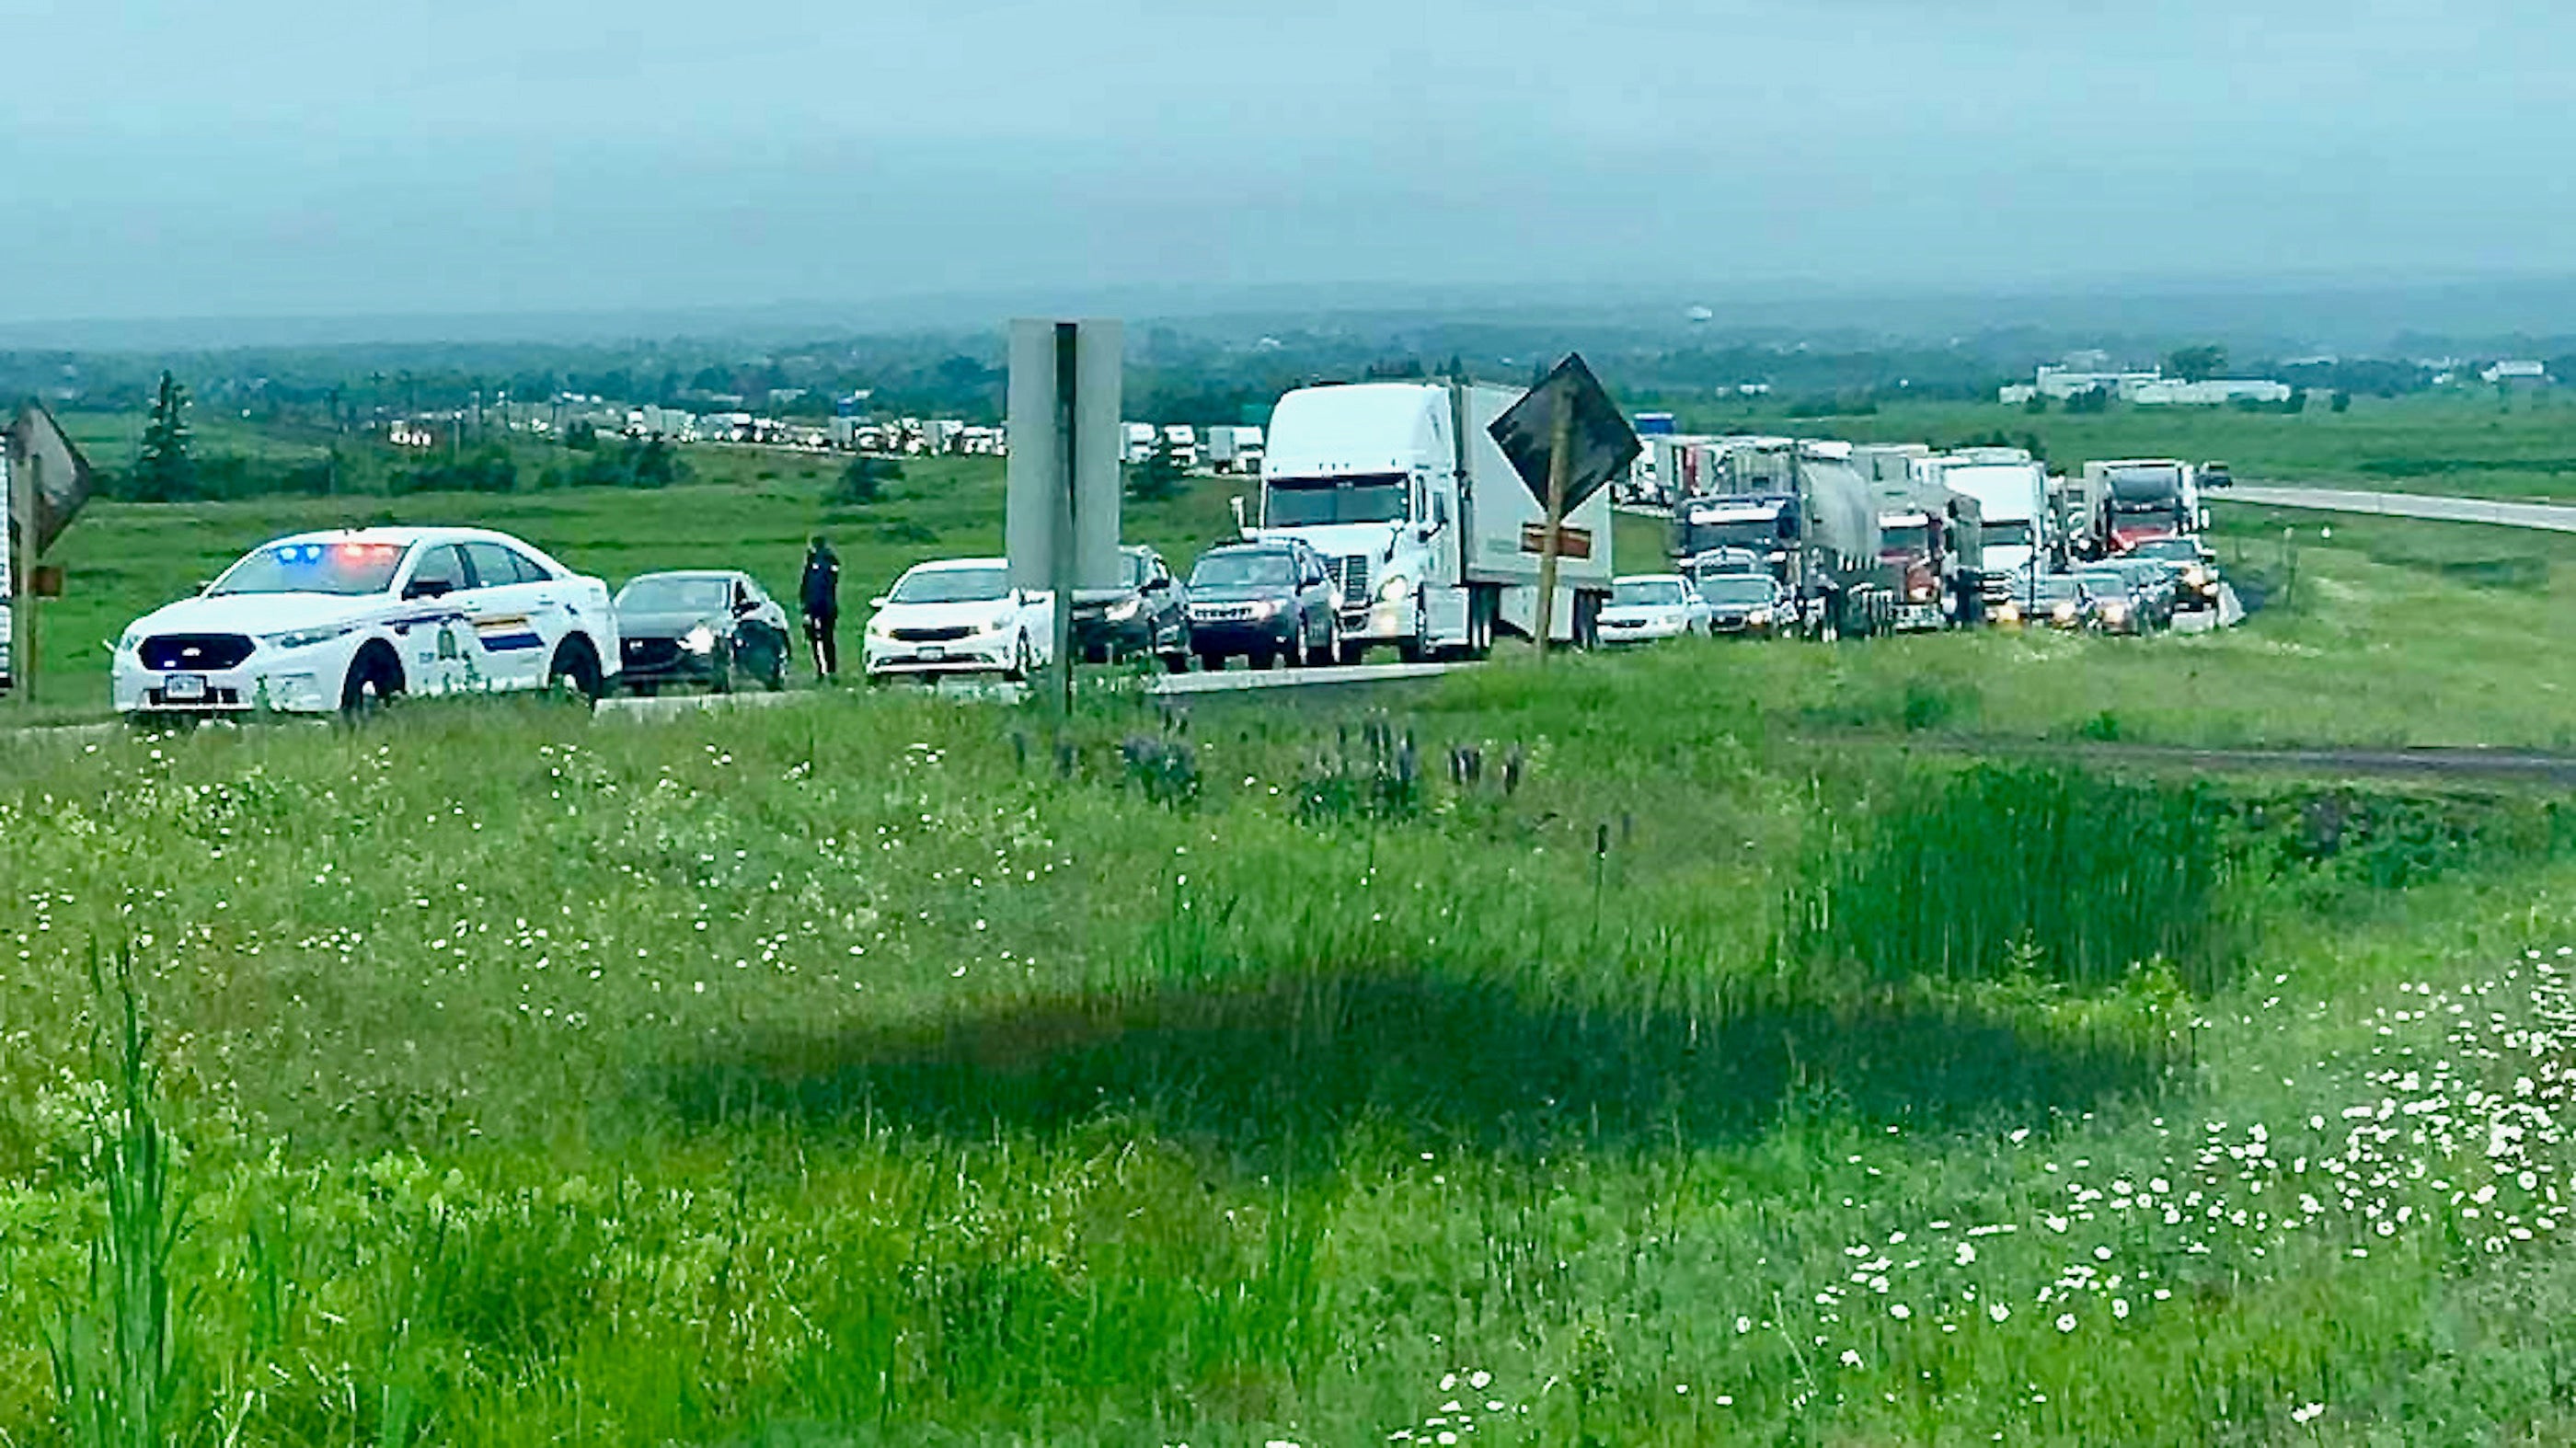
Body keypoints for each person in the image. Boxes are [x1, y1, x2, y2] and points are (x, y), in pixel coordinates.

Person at [800, 535, 841, 680]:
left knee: (820, 639)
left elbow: (808, 586)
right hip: (826, 606)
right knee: (826, 639)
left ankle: (823, 670)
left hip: (819, 606)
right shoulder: (828, 560)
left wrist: (805, 607)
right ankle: (828, 670)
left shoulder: (819, 561)